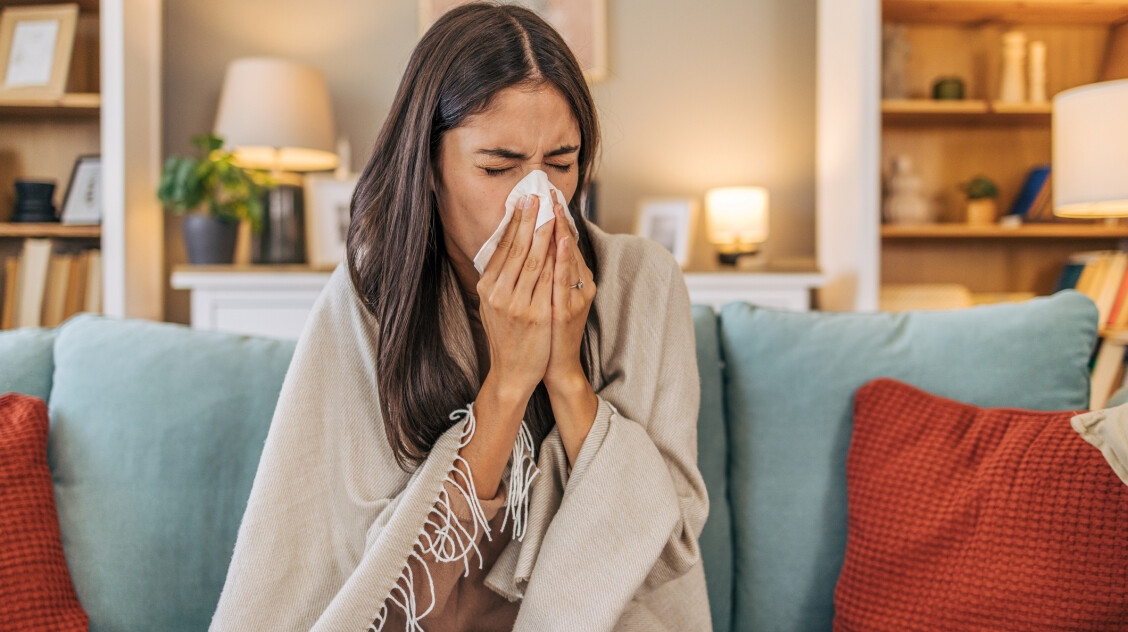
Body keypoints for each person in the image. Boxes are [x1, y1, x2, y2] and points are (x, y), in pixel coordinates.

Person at [209, 4, 710, 631]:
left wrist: (565, 374)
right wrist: (508, 383)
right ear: (427, 165)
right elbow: (370, 592)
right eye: (498, 167)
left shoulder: (642, 283)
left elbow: (666, 550)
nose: (538, 199)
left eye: (561, 163)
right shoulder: (371, 295)